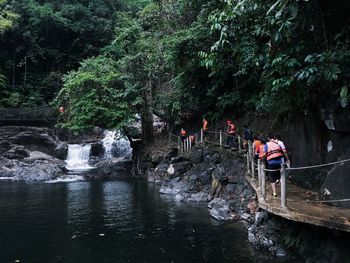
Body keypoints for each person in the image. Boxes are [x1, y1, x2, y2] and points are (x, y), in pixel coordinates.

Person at [264, 132, 285, 197]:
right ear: (274, 137)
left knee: (272, 177)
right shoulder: (277, 143)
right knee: (280, 176)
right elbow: (282, 151)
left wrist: (263, 159)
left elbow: (265, 153)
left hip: (271, 163)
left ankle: (275, 192)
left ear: (268, 138)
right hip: (279, 162)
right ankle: (283, 191)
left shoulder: (266, 145)